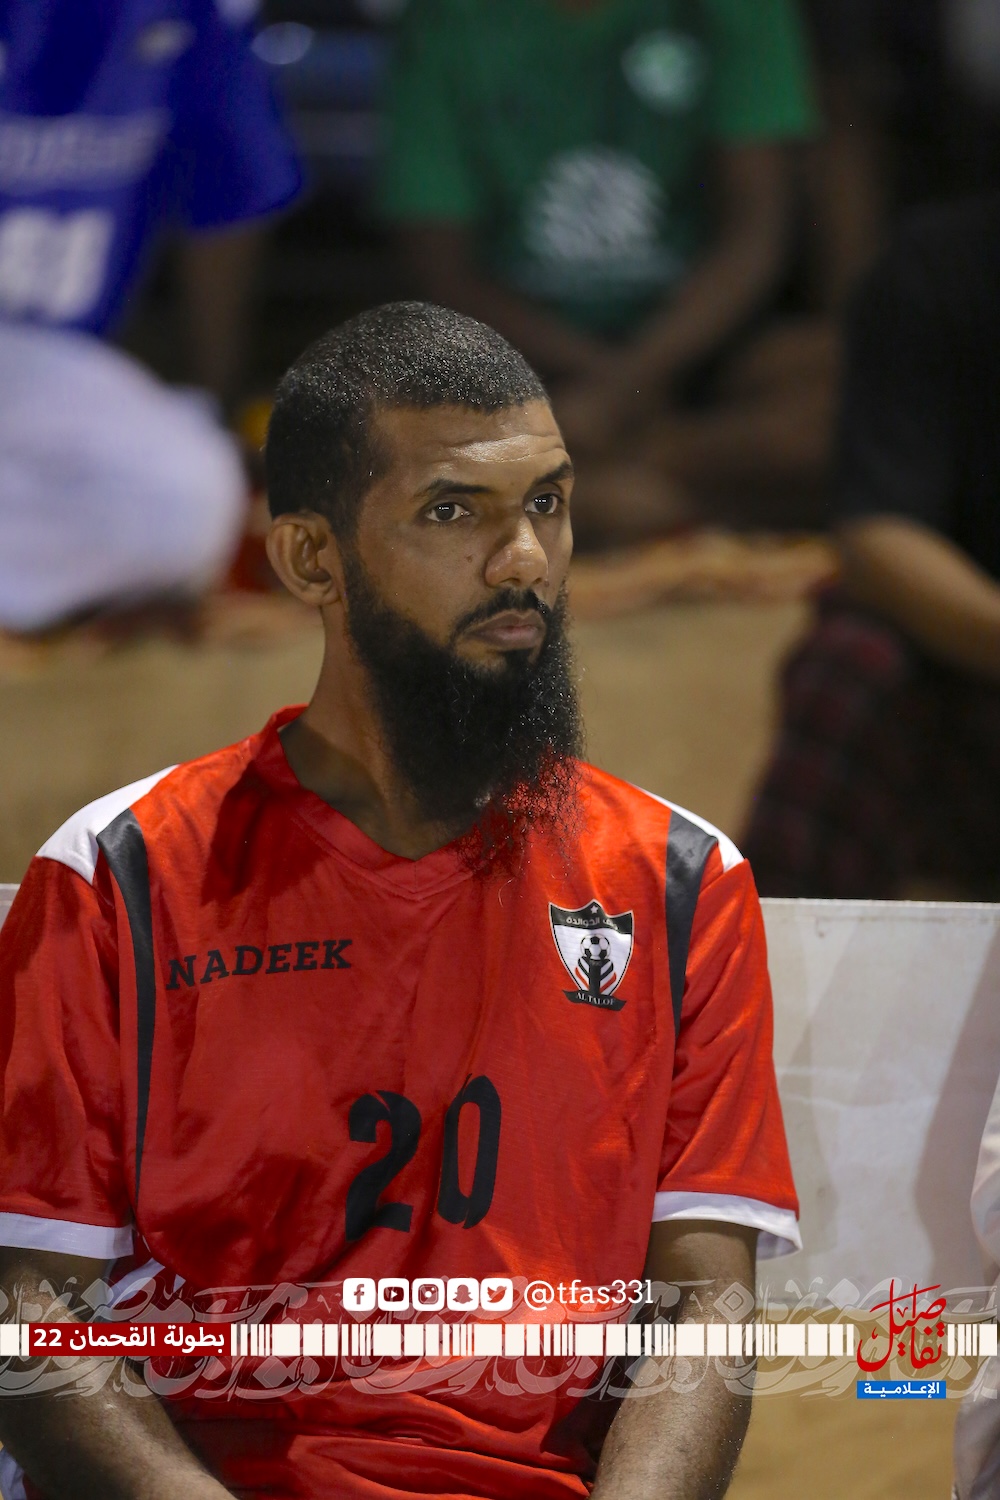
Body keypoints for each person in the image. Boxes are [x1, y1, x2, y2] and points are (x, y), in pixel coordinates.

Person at [0, 303, 799, 1500]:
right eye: (453, 512)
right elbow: (32, 1309)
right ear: (310, 559)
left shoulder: (682, 879)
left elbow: (702, 1309)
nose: (523, 558)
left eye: (547, 502)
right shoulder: (116, 871)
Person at [381, 0, 831, 541]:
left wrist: (626, 388)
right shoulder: (446, 20)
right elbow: (445, 275)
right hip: (524, 366)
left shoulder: (738, 12)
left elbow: (755, 236)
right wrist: (608, 381)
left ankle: (595, 486)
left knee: (846, 391)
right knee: (376, 422)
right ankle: (648, 496)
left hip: (698, 350)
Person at [0, 0, 300, 633]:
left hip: (47, 367)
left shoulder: (192, 14)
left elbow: (228, 189)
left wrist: (219, 403)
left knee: (188, 494)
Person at [743, 195, 1000, 898]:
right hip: (976, 677)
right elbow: (880, 535)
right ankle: (771, 959)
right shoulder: (943, 269)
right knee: (852, 664)